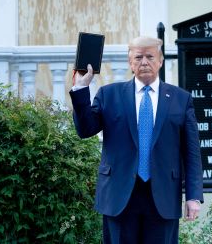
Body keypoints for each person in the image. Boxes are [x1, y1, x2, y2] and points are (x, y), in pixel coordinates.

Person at [69, 36, 204, 244]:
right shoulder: (109, 95)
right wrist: (81, 89)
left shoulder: (180, 99)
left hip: (163, 197)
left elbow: (191, 151)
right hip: (119, 196)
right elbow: (86, 129)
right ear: (130, 63)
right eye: (138, 57)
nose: (144, 62)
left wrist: (194, 196)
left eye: (150, 56)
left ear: (160, 61)